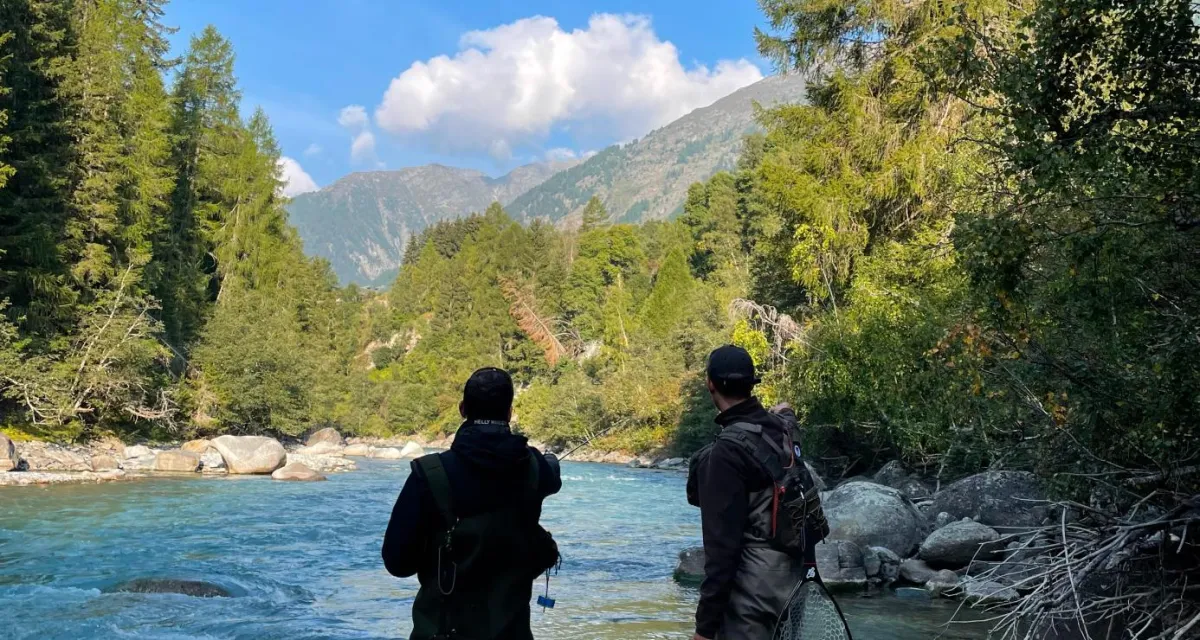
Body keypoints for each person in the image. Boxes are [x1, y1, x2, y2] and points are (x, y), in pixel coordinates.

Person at [382, 367, 562, 640]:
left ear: (462, 409)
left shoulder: (430, 474)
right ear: (509, 412)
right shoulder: (535, 468)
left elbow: (398, 563)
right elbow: (553, 477)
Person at [686, 345, 821, 640]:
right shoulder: (784, 429)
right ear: (751, 384)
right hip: (793, 584)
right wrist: (784, 408)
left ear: (710, 383)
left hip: (752, 595)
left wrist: (704, 630)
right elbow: (787, 414)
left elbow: (721, 552)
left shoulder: (726, 453)